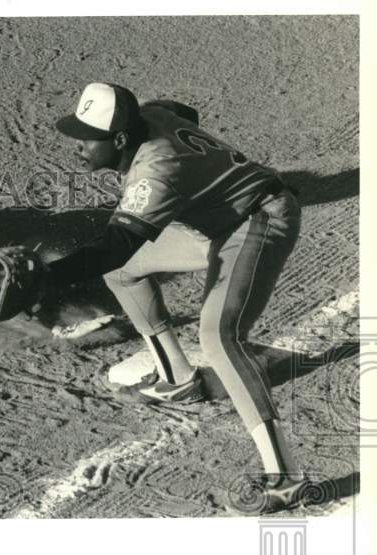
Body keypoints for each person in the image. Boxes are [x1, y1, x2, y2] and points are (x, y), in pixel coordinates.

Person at [43, 82, 307, 512]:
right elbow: (180, 110)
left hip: (260, 221)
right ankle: (178, 380)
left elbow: (114, 245)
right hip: (219, 226)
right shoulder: (151, 116)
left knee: (220, 337)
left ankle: (286, 476)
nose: (78, 146)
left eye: (88, 138)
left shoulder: (156, 172)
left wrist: (43, 279)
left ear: (121, 139)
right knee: (123, 271)